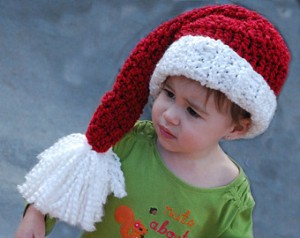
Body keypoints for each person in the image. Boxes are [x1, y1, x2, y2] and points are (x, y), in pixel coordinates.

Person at [15, 4, 290, 238]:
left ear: (236, 127)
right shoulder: (126, 143)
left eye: (192, 112)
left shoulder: (229, 196)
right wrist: (37, 215)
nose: (170, 114)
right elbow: (67, 182)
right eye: (169, 94)